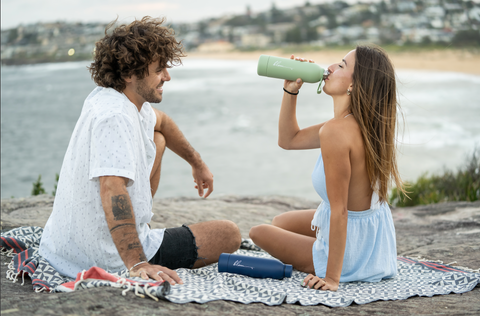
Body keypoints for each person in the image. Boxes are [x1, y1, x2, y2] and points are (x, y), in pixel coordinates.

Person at [39, 17, 241, 285]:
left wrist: (197, 163)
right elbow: (112, 188)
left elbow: (164, 123)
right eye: (159, 70)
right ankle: (138, 248)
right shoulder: (115, 117)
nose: (167, 77)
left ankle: (140, 231)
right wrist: (137, 262)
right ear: (129, 74)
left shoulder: (115, 100)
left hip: (63, 247)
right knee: (229, 234)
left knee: (157, 138)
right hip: (102, 257)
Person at [249, 45, 405, 291]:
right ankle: (335, 251)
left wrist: (332, 278)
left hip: (352, 248)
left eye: (341, 65)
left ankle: (334, 261)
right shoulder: (358, 123)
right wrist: (290, 91)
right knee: (280, 222)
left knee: (259, 232)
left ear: (354, 85)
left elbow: (340, 211)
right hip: (374, 240)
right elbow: (288, 140)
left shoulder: (336, 132)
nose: (329, 68)